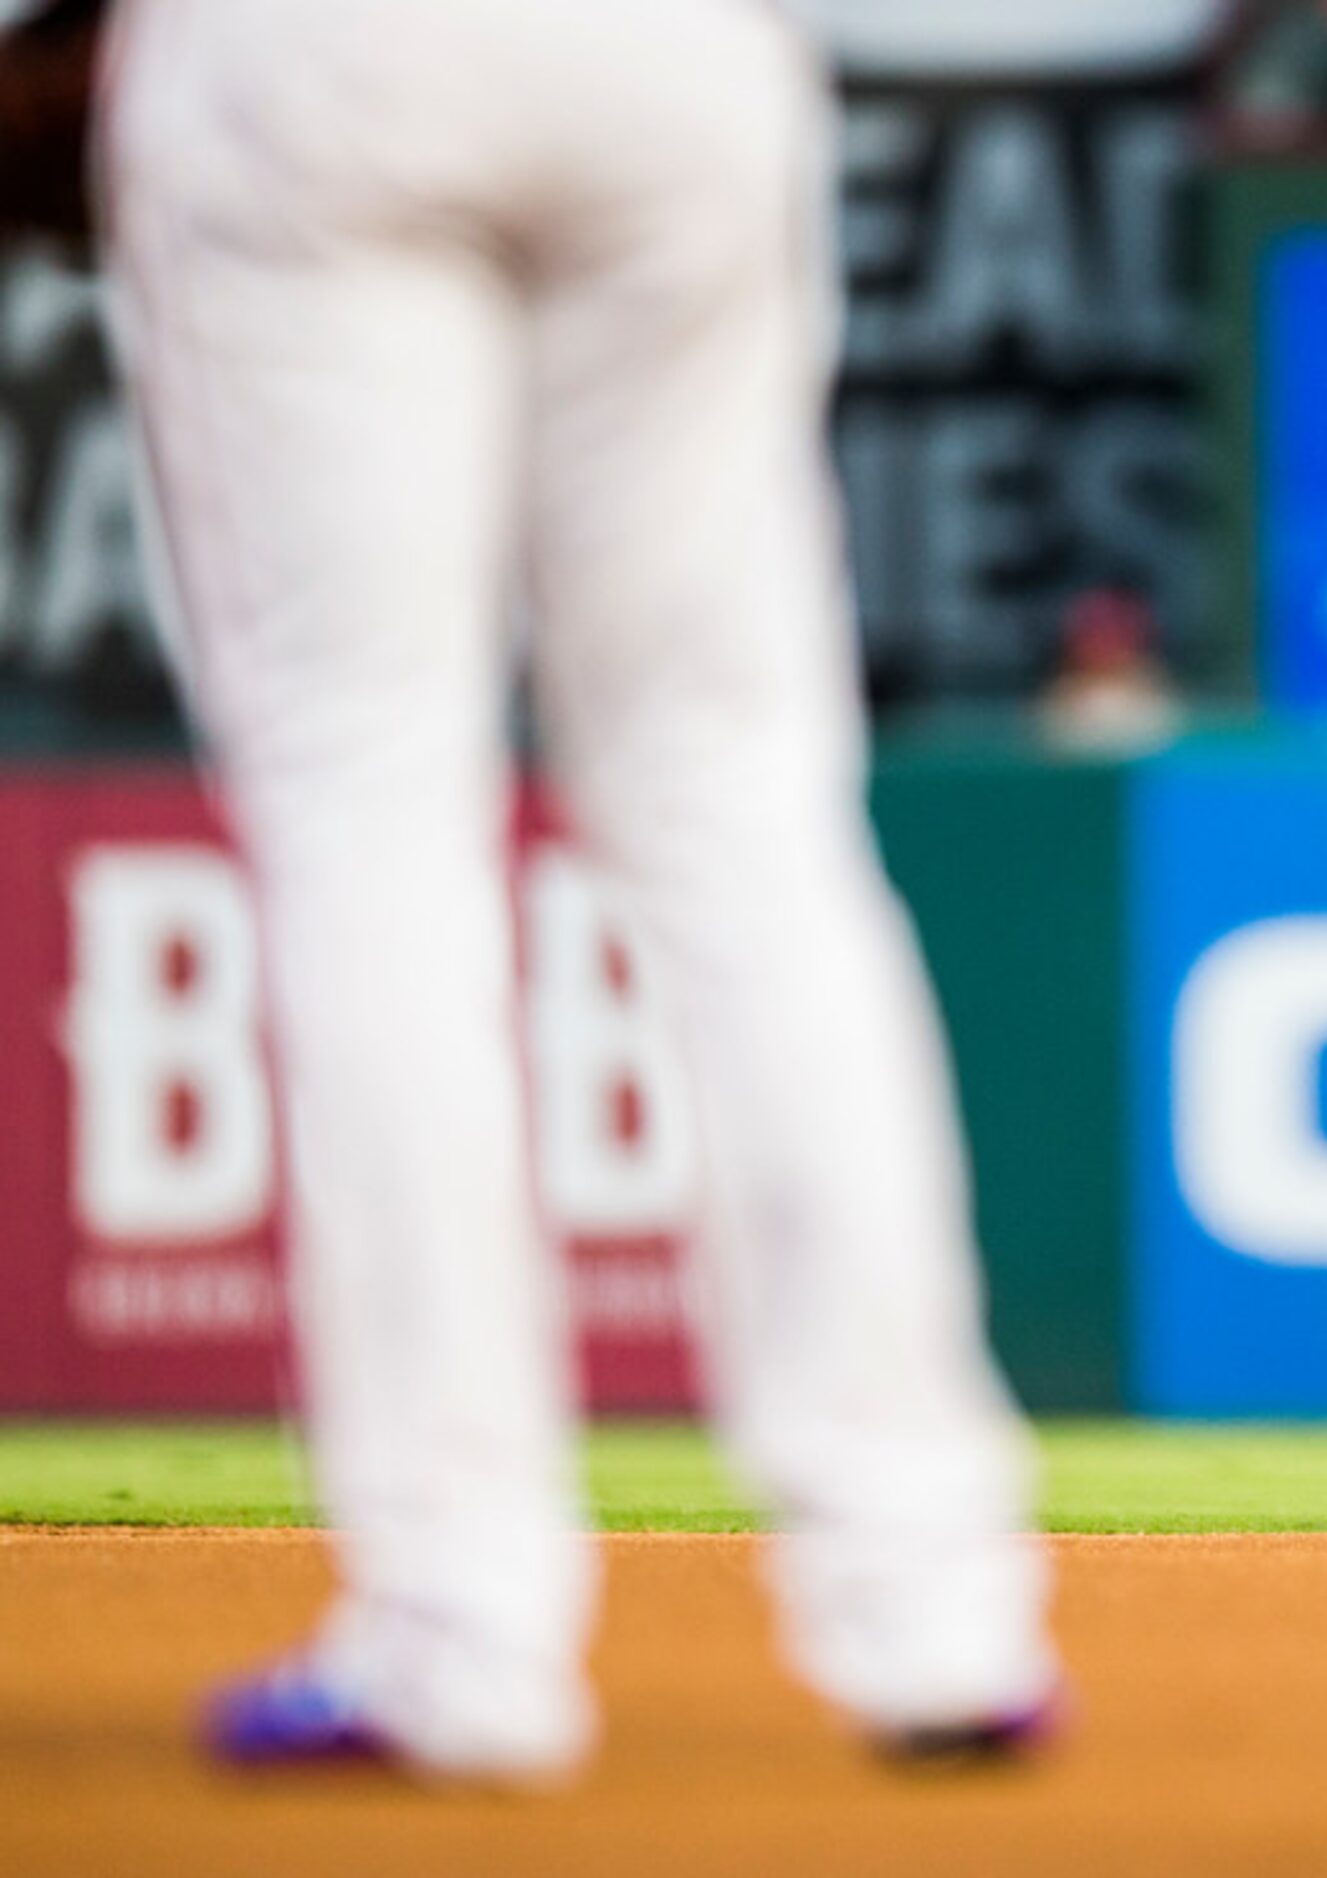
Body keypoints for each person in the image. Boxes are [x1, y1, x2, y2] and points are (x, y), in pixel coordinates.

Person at [90, 0, 1058, 1779]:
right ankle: (936, 1602)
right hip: (671, 58)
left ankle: (458, 1628)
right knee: (748, 805)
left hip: (314, 62)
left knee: (367, 802)